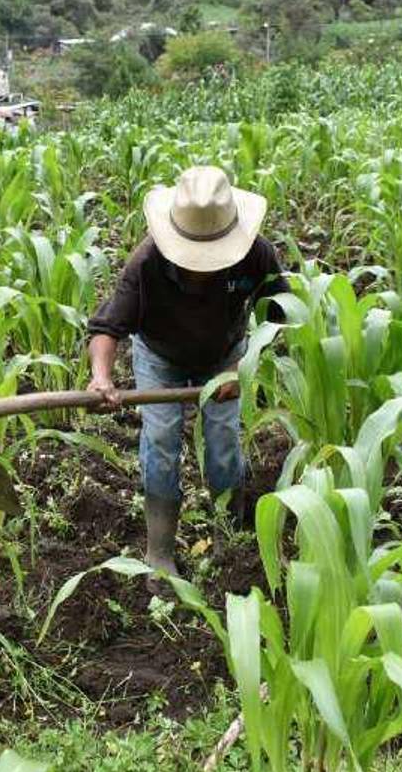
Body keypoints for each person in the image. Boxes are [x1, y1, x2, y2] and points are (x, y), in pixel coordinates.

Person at [85, 166, 289, 580]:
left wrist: (241, 369)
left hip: (225, 356)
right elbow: (107, 328)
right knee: (159, 440)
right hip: (160, 356)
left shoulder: (257, 253)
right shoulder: (146, 262)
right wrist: (101, 376)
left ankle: (229, 536)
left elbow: (281, 318)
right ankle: (159, 549)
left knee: (223, 442)